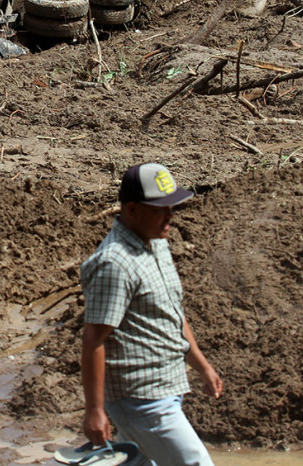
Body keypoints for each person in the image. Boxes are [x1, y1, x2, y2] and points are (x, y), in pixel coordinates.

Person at [80, 163, 223, 466]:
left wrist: (201, 365)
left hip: (166, 385)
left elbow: (171, 313)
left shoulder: (156, 243)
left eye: (171, 206)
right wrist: (94, 410)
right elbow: (94, 339)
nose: (170, 216)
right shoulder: (114, 264)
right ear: (131, 210)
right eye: (160, 209)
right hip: (140, 398)